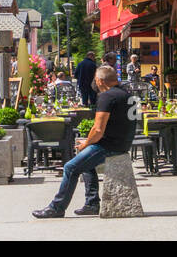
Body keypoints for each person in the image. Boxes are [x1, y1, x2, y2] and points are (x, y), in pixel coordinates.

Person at [33, 66, 135, 218]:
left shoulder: (106, 96)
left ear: (100, 81)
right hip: (124, 143)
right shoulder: (128, 95)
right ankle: (92, 203)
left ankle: (57, 207)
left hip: (109, 145)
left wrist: (86, 143)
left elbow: (98, 129)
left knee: (70, 167)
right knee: (85, 161)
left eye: (95, 79)